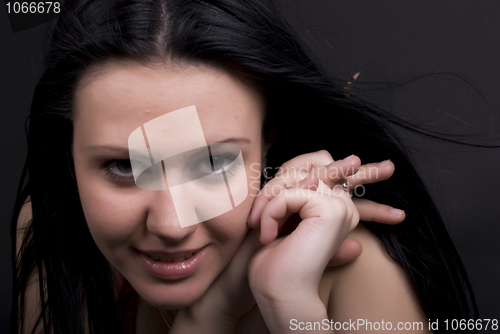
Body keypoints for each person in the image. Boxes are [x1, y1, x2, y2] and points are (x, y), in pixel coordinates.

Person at [11, 0, 478, 333]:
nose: (173, 224)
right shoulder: (52, 233)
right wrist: (212, 314)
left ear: (266, 144)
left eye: (214, 162)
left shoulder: (349, 272)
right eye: (124, 167)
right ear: (67, 158)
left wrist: (289, 306)